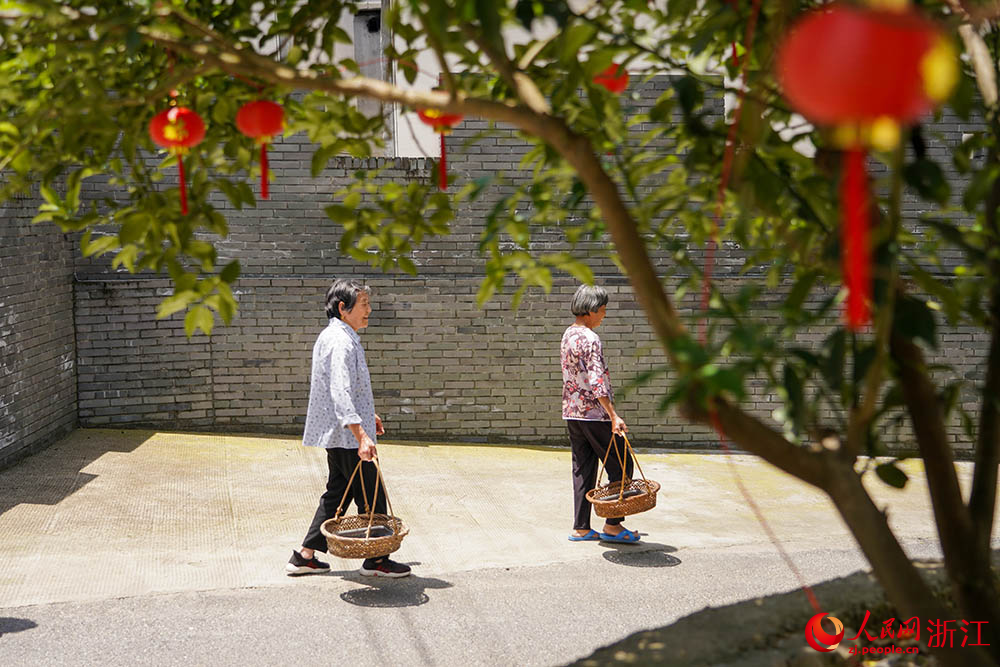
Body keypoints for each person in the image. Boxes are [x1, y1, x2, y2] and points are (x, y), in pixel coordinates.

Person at [286, 279, 411, 578]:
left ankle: (304, 555)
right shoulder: (340, 341)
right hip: (347, 436)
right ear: (343, 308)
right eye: (364, 305)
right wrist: (361, 434)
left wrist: (368, 415)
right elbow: (340, 391)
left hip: (340, 432)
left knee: (337, 492)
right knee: (372, 495)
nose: (369, 310)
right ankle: (377, 560)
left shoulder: (335, 336)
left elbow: (347, 389)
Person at [561, 284, 640, 544]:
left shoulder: (568, 335)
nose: (604, 315)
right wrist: (613, 415)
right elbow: (597, 382)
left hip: (573, 413)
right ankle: (613, 525)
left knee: (583, 469)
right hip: (595, 414)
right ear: (591, 310)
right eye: (603, 310)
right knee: (622, 463)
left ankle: (581, 528)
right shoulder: (591, 339)